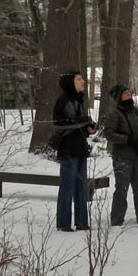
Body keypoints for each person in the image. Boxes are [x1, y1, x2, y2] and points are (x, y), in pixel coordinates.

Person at [102, 85, 138, 227]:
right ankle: (117, 219)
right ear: (119, 97)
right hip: (122, 156)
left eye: (129, 93)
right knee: (122, 188)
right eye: (125, 93)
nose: (128, 95)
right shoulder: (114, 114)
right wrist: (127, 139)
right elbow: (108, 133)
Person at [52, 71, 96, 231]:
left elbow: (81, 124)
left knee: (81, 187)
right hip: (68, 149)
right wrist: (83, 122)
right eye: (79, 79)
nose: (83, 81)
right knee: (67, 187)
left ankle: (82, 221)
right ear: (71, 82)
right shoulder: (62, 100)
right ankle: (63, 223)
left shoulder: (80, 100)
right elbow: (59, 125)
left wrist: (89, 128)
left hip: (81, 148)